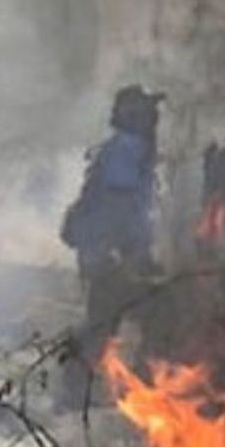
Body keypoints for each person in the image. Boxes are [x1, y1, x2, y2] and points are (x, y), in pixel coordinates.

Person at [60, 85, 163, 395]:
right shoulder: (126, 150)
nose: (155, 119)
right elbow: (118, 205)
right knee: (119, 318)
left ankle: (82, 383)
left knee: (112, 319)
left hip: (108, 251)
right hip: (110, 254)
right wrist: (127, 252)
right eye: (148, 112)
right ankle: (79, 385)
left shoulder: (127, 147)